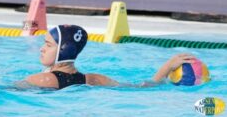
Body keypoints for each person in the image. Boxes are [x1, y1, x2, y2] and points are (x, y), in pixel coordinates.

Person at [25, 25, 196, 89]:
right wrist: (167, 67)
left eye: (48, 45)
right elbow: (141, 88)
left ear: (65, 50)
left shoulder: (42, 80)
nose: (41, 49)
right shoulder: (95, 79)